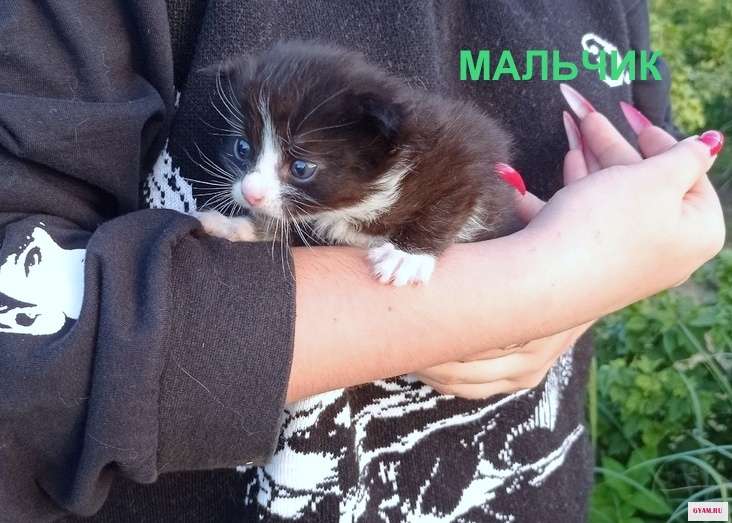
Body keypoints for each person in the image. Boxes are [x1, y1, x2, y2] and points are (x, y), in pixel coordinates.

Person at [0, 1, 723, 521]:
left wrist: (624, 252)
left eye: (295, 167)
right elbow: (26, 334)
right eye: (247, 151)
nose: (253, 185)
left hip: (534, 484)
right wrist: (532, 285)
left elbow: (640, 169)